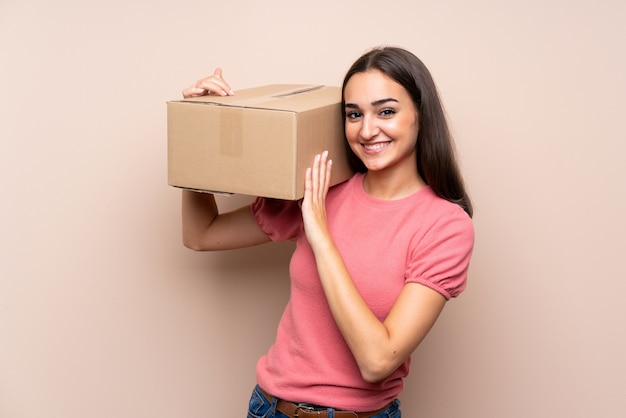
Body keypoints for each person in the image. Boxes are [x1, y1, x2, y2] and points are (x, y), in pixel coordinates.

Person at [180, 46, 474, 418]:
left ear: (420, 114)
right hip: (271, 408)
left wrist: (320, 234)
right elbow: (201, 234)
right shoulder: (324, 189)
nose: (367, 130)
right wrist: (197, 128)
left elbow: (377, 361)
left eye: (386, 111)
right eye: (354, 114)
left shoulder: (444, 225)